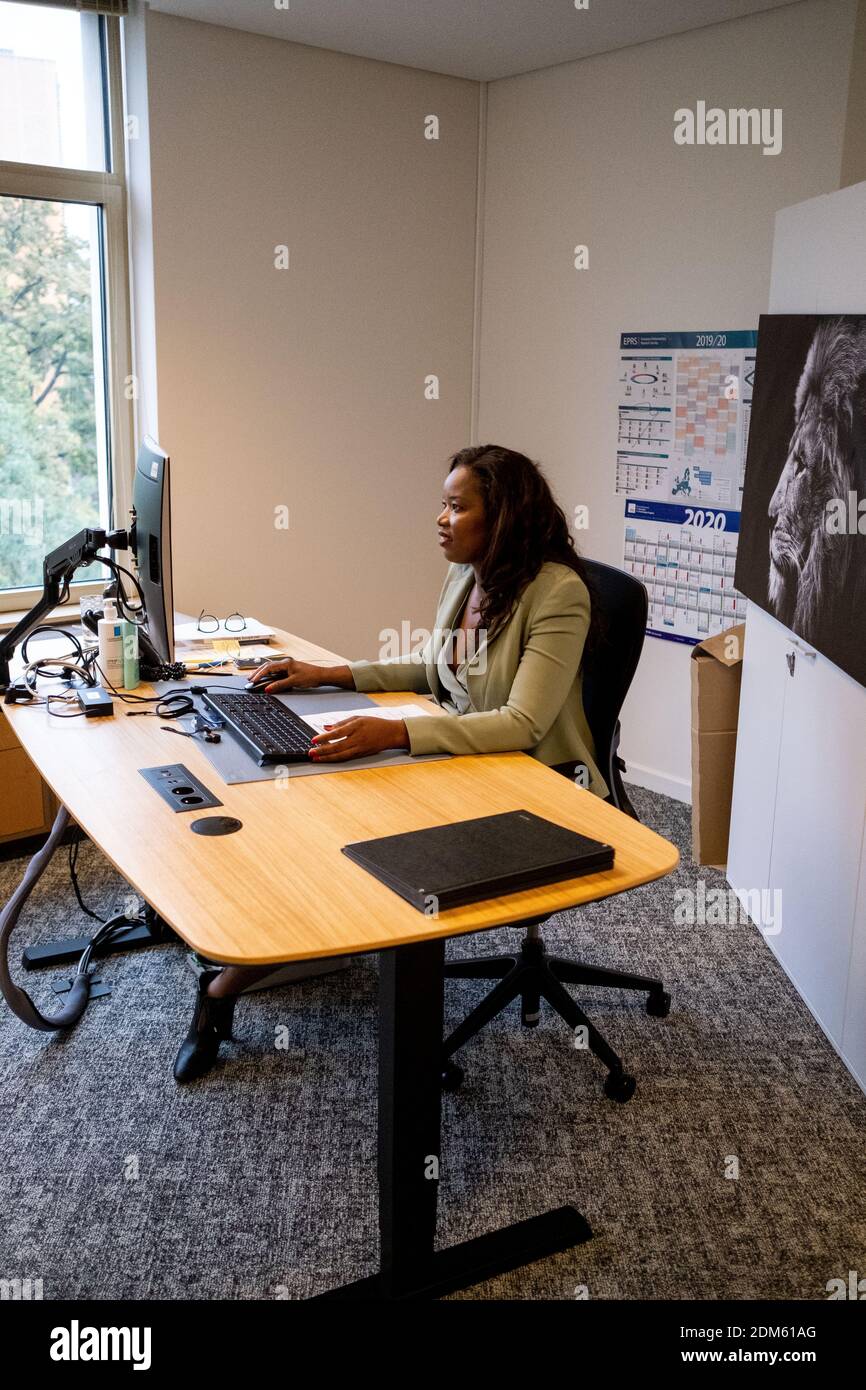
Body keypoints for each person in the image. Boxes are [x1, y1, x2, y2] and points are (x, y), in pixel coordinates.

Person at [173, 444, 608, 1082]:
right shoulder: (469, 575)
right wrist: (328, 673)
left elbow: (523, 724)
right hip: (462, 761)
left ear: (505, 517)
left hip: (533, 783)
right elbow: (434, 671)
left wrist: (396, 733)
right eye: (443, 503)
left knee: (358, 852)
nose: (440, 519)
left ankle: (226, 994)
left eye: (458, 507)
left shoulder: (558, 593)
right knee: (318, 817)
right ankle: (233, 975)